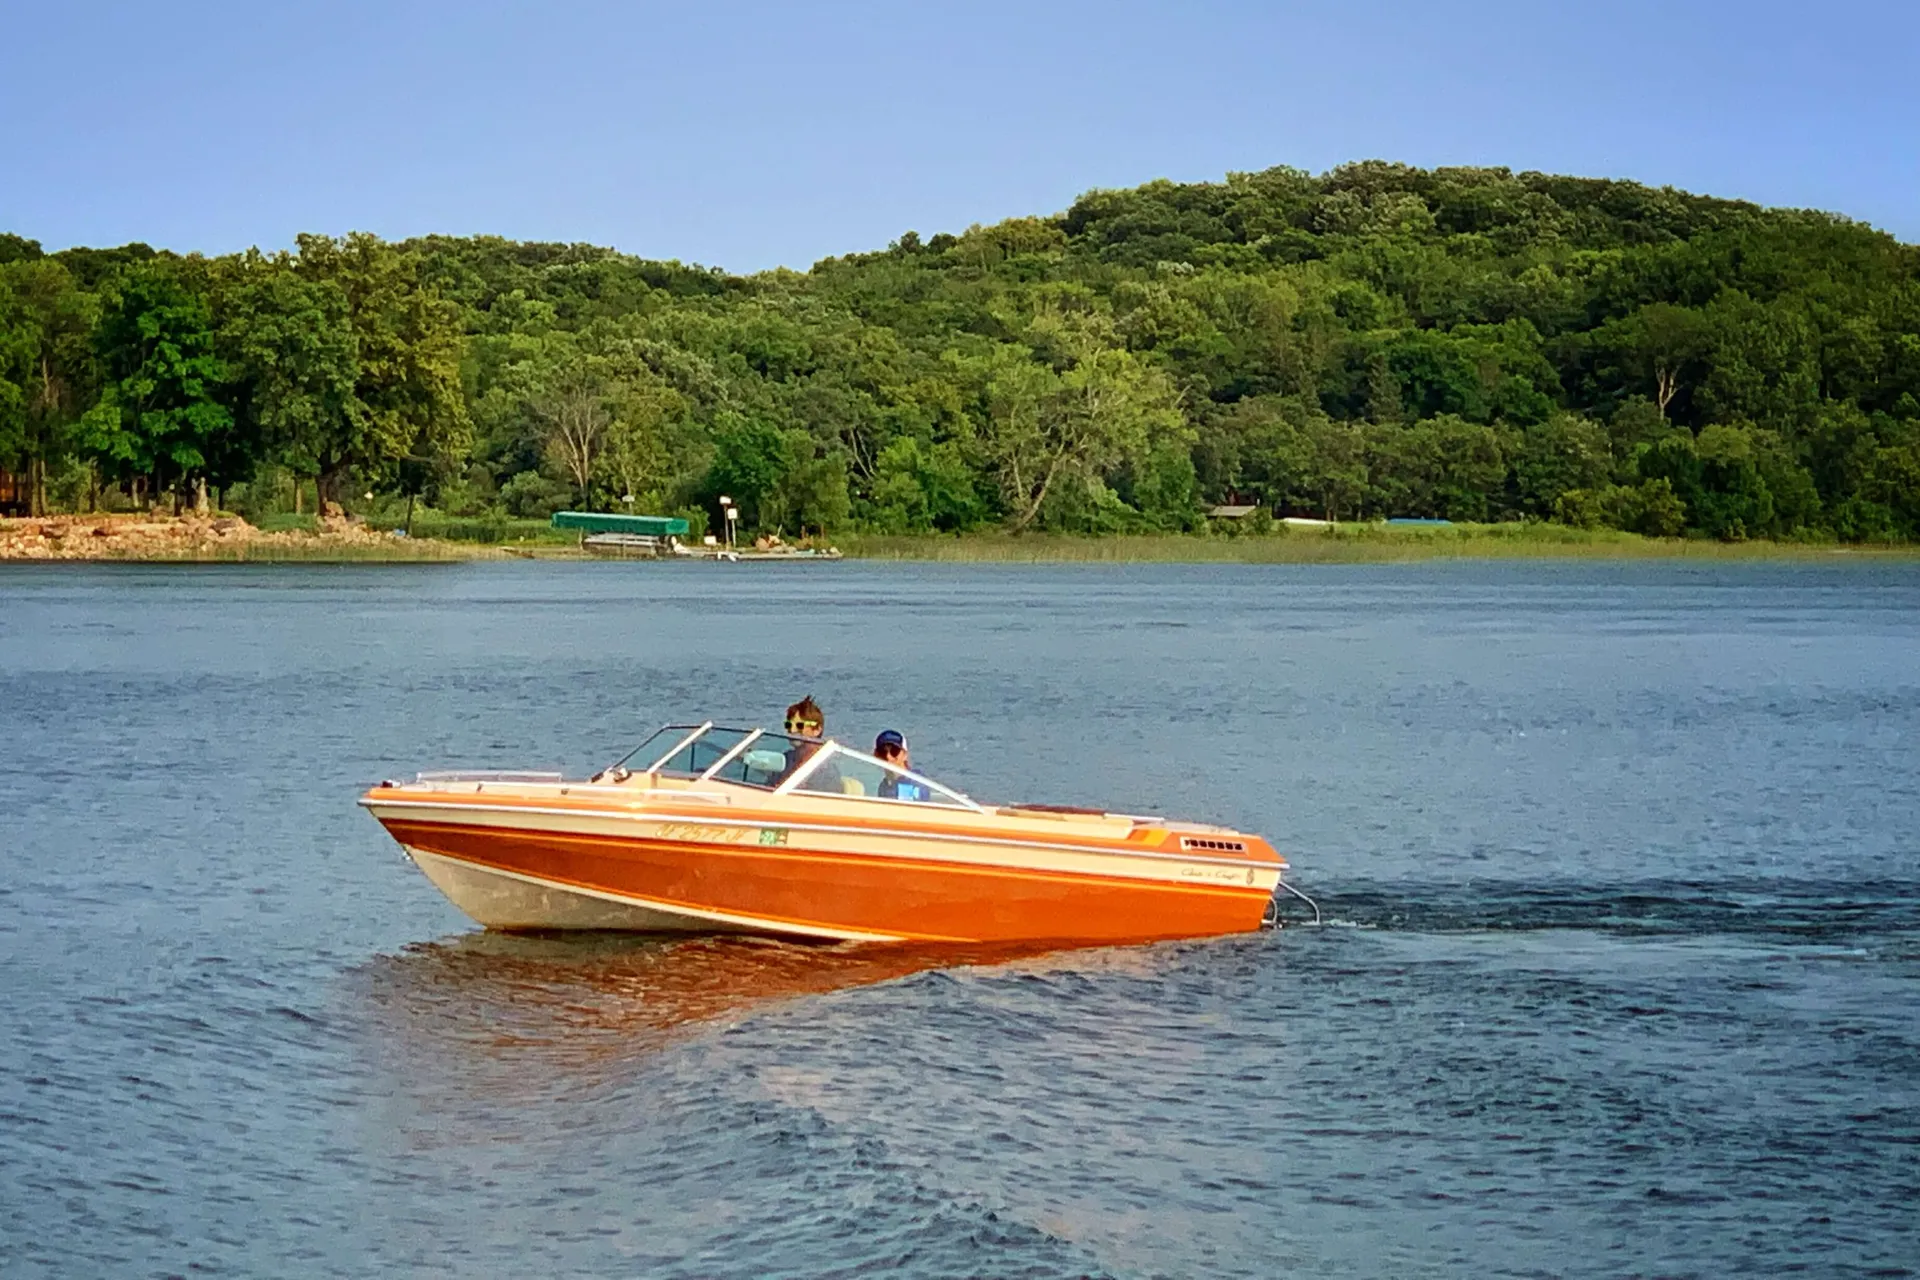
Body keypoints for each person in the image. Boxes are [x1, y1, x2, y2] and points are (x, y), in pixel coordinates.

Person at [776, 695, 840, 789]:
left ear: (817, 730)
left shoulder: (825, 769)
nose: (792, 730)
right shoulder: (785, 760)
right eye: (788, 725)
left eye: (799, 725)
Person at [874, 729, 929, 801]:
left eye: (894, 751)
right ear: (876, 755)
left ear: (905, 755)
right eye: (882, 752)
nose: (888, 756)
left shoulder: (915, 782)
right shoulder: (884, 786)